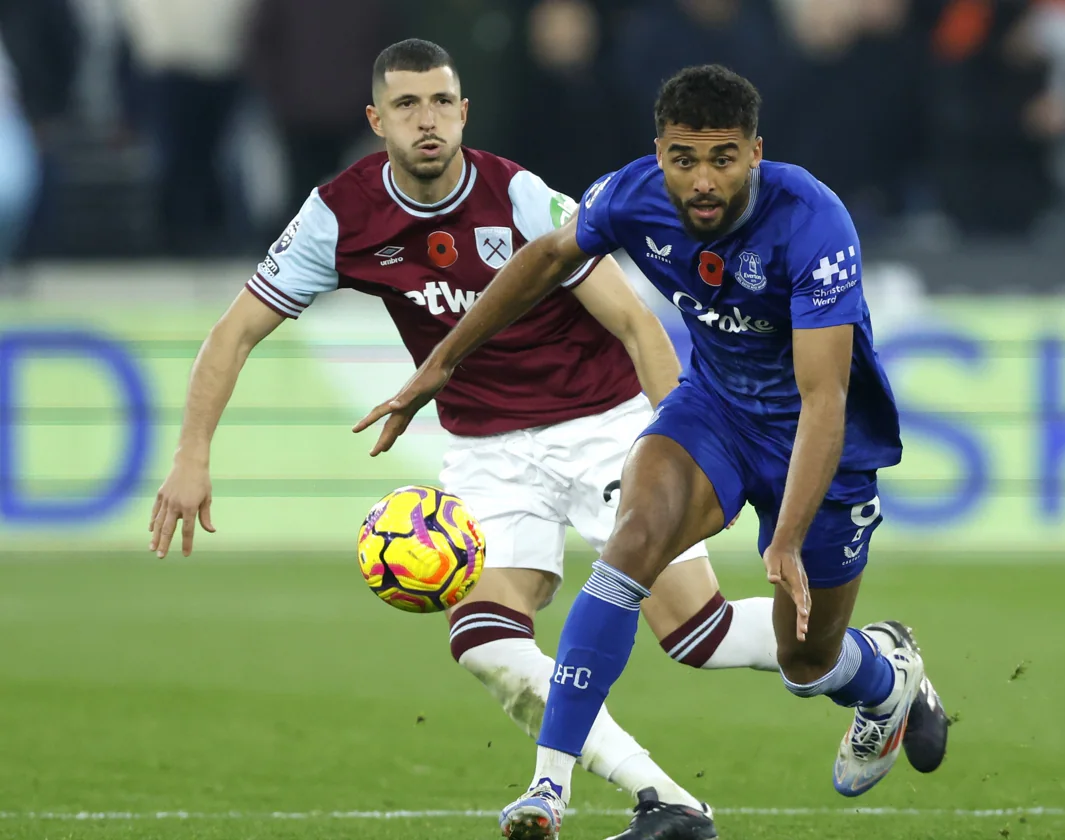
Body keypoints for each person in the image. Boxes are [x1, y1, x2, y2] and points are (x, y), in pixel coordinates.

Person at [147, 40, 784, 835]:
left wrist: (679, 446)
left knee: (698, 634)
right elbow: (235, 331)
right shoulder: (339, 215)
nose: (428, 120)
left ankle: (875, 663)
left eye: (442, 103)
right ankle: (662, 799)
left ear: (463, 113)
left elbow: (635, 324)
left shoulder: (518, 196)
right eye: (408, 105)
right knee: (485, 641)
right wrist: (191, 456)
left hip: (605, 425)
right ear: (377, 119)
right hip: (488, 449)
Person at [356, 64, 950, 840]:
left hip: (821, 444)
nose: (702, 181)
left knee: (806, 663)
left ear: (755, 153)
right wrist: (442, 363)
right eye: (683, 158)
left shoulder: (812, 220)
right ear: (660, 151)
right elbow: (542, 260)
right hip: (715, 412)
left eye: (723, 158)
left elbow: (825, 399)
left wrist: (790, 535)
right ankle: (547, 789)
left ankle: (885, 671)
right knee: (628, 547)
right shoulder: (631, 193)